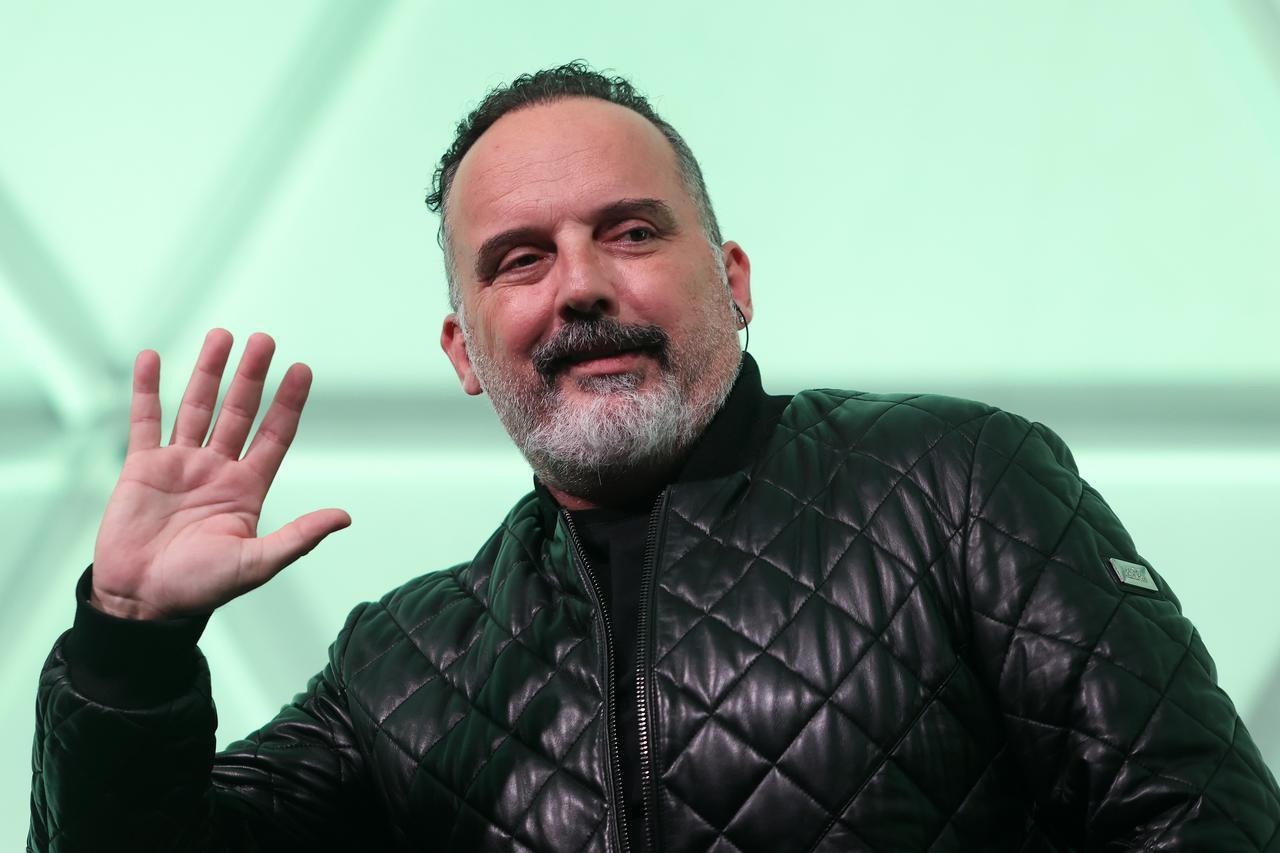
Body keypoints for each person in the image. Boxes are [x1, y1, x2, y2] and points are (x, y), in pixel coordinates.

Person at [27, 61, 1280, 852]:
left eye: (628, 232)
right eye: (519, 258)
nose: (578, 286)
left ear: (731, 282)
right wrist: (129, 643)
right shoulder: (397, 667)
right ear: (465, 351)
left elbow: (1195, 821)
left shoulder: (956, 484)